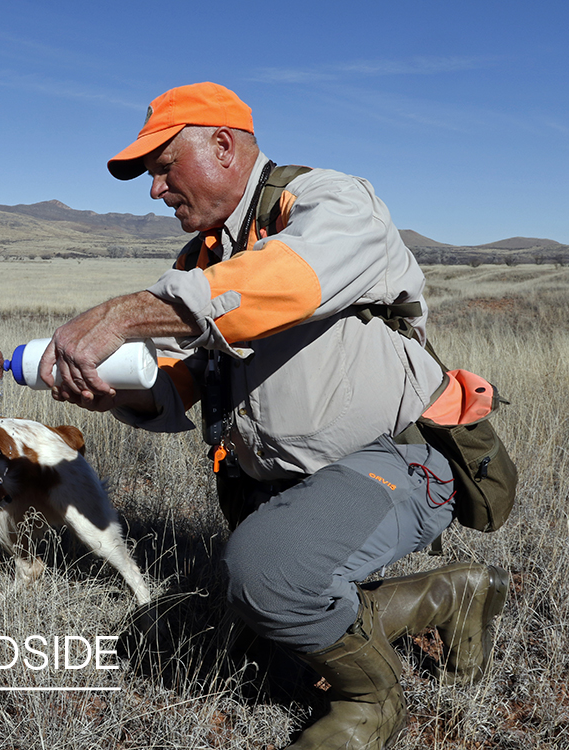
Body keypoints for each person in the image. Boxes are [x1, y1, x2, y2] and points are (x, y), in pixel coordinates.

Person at [38, 82, 508, 749]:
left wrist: (121, 314)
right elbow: (175, 389)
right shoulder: (200, 263)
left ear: (224, 146)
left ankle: (371, 703)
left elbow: (291, 279)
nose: (153, 189)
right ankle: (450, 594)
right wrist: (113, 390)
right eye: (148, 175)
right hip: (292, 491)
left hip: (398, 461)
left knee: (267, 577)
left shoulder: (328, 201)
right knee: (208, 623)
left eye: (164, 166)